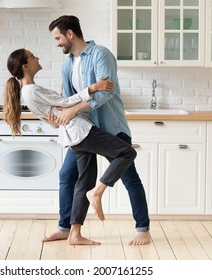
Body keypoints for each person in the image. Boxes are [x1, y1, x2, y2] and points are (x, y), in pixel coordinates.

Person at [4, 48, 137, 245]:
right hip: (81, 131)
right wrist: (94, 87)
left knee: (83, 181)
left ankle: (74, 234)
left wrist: (56, 118)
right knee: (127, 152)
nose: (37, 57)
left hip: (73, 134)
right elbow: (66, 102)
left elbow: (52, 116)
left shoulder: (29, 91)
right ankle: (98, 191)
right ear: (25, 66)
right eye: (33, 56)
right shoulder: (31, 90)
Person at [43, 15, 151, 246]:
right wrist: (61, 114)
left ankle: (143, 229)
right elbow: (68, 97)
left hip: (110, 128)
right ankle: (65, 228)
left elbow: (106, 92)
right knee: (67, 175)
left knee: (130, 179)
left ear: (70, 33)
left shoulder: (101, 55)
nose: (57, 43)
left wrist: (74, 110)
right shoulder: (67, 63)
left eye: (58, 37)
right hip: (84, 132)